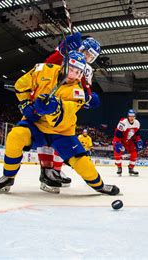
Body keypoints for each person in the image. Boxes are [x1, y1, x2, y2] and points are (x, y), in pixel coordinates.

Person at [0, 51, 119, 196]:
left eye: (77, 72)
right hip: (36, 125)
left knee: (81, 161)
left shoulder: (78, 92)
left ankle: (99, 185)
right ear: (63, 65)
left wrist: (54, 107)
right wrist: (25, 103)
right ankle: (8, 177)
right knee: (16, 136)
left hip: (61, 132)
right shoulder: (43, 69)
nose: (72, 75)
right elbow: (21, 85)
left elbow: (66, 115)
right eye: (71, 69)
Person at [38, 34, 101, 188]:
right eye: (87, 53)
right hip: (48, 101)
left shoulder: (88, 69)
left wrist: (88, 97)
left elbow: (85, 89)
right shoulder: (68, 56)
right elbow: (47, 65)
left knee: (63, 139)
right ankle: (46, 172)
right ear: (82, 48)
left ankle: (56, 171)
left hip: (66, 107)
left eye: (91, 57)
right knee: (45, 136)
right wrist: (60, 51)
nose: (87, 57)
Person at [112, 109, 144, 176]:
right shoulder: (123, 122)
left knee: (134, 152)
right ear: (128, 116)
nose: (131, 118)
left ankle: (131, 169)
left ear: (135, 116)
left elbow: (137, 134)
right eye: (130, 116)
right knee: (117, 152)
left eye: (133, 116)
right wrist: (117, 143)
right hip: (119, 139)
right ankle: (119, 167)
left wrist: (138, 141)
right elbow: (118, 134)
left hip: (128, 140)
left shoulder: (137, 123)